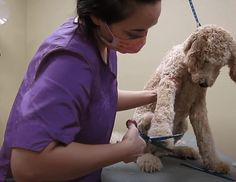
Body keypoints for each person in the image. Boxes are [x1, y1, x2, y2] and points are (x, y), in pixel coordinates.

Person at [0, 0, 162, 181]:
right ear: (98, 17)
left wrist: (155, 96)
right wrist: (124, 150)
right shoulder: (69, 61)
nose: (143, 40)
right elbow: (28, 165)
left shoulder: (103, 40)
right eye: (134, 33)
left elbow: (98, 98)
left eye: (149, 29)